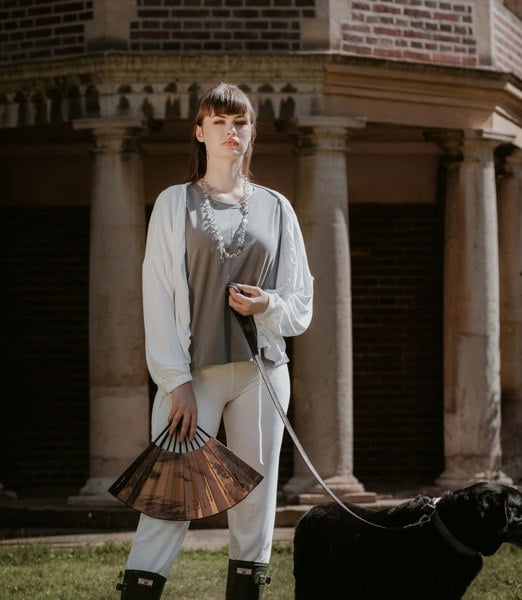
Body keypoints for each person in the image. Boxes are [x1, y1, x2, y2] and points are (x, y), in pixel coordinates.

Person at [116, 83, 313, 599]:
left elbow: (301, 305)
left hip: (261, 373)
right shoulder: (173, 203)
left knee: (255, 503)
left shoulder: (278, 208)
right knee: (167, 498)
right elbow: (156, 296)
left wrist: (265, 304)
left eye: (240, 122)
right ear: (200, 132)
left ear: (251, 133)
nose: (232, 131)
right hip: (192, 377)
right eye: (219, 121)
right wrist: (174, 383)